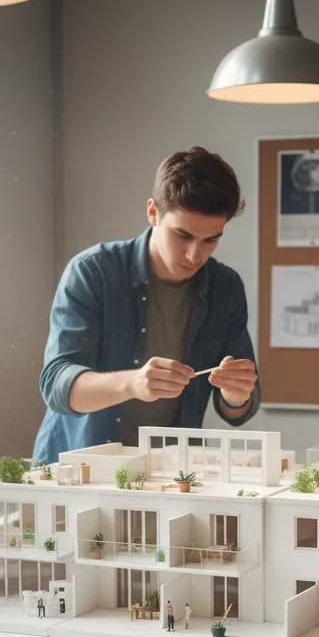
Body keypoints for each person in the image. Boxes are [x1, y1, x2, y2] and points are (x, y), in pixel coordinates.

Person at [34, 148, 260, 465]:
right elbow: (57, 386)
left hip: (169, 476)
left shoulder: (226, 287)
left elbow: (237, 411)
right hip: (78, 470)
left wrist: (236, 394)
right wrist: (133, 383)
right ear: (153, 213)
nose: (196, 255)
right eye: (183, 235)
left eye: (211, 240)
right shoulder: (93, 272)